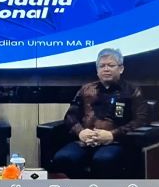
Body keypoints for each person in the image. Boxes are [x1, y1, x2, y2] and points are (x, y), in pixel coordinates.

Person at [53, 47, 149, 179]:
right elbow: (70, 116)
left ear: (121, 68)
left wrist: (112, 135)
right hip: (85, 142)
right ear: (97, 70)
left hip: (116, 142)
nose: (106, 69)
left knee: (103, 160)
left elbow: (140, 120)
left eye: (111, 65)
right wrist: (80, 132)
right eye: (102, 66)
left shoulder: (132, 91)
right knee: (63, 158)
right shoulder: (86, 89)